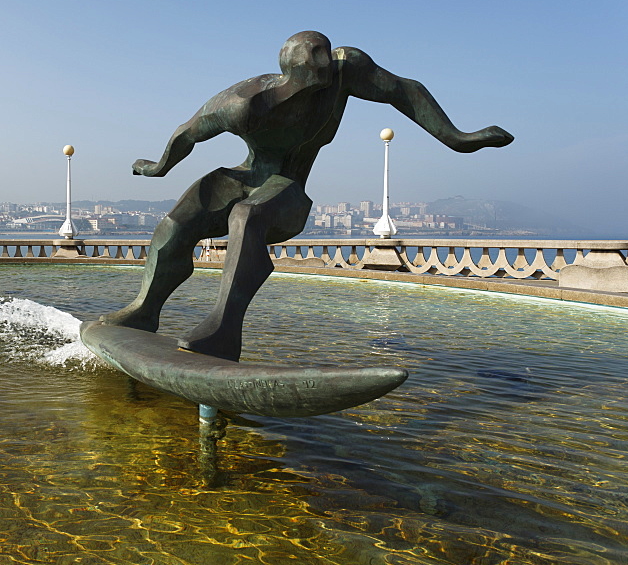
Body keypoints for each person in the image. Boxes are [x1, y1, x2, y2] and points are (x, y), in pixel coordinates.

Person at [101, 31, 513, 360]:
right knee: (177, 222)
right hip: (243, 175)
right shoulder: (244, 103)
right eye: (311, 83)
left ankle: (223, 330)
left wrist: (457, 138)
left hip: (288, 189)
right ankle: (144, 309)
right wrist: (158, 167)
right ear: (290, 77)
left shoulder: (345, 70)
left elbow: (405, 91)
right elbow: (187, 132)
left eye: (325, 78)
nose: (322, 88)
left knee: (247, 216)